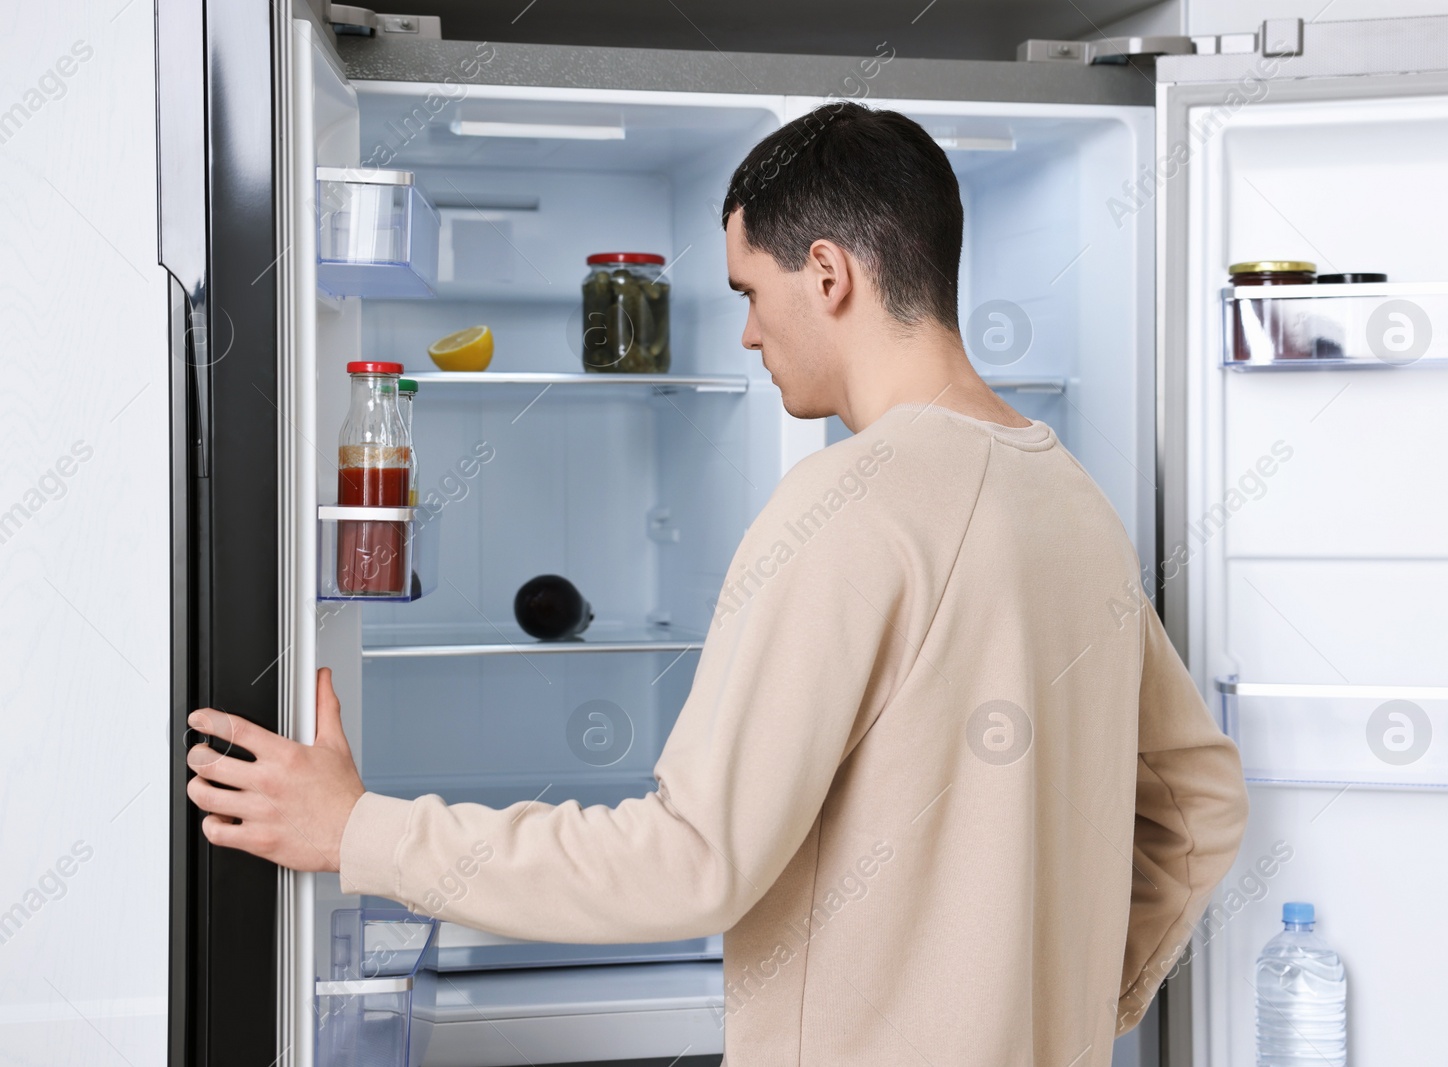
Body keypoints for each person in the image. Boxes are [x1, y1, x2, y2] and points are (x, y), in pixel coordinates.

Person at [186, 102, 1248, 1065]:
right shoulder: (1069, 496)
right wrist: (1056, 1007)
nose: (745, 332)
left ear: (827, 273)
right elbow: (1199, 804)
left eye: (751, 291)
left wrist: (358, 829)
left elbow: (691, 859)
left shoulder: (852, 506)